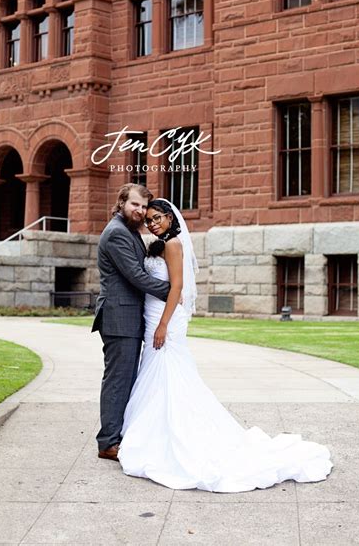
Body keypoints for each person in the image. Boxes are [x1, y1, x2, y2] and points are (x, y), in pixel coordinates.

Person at [118, 198, 333, 492]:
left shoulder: (173, 244)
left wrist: (164, 324)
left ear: (170, 217)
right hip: (154, 313)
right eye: (150, 220)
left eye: (158, 218)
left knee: (169, 373)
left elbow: (177, 287)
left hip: (165, 318)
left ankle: (171, 435)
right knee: (159, 374)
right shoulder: (160, 243)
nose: (153, 223)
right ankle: (156, 431)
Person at [92, 184, 170, 462]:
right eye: (134, 204)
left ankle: (117, 435)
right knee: (118, 380)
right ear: (122, 202)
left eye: (142, 207)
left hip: (128, 317)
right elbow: (136, 276)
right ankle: (108, 443)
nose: (139, 211)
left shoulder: (129, 232)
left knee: (126, 380)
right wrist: (171, 291)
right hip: (119, 318)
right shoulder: (116, 234)